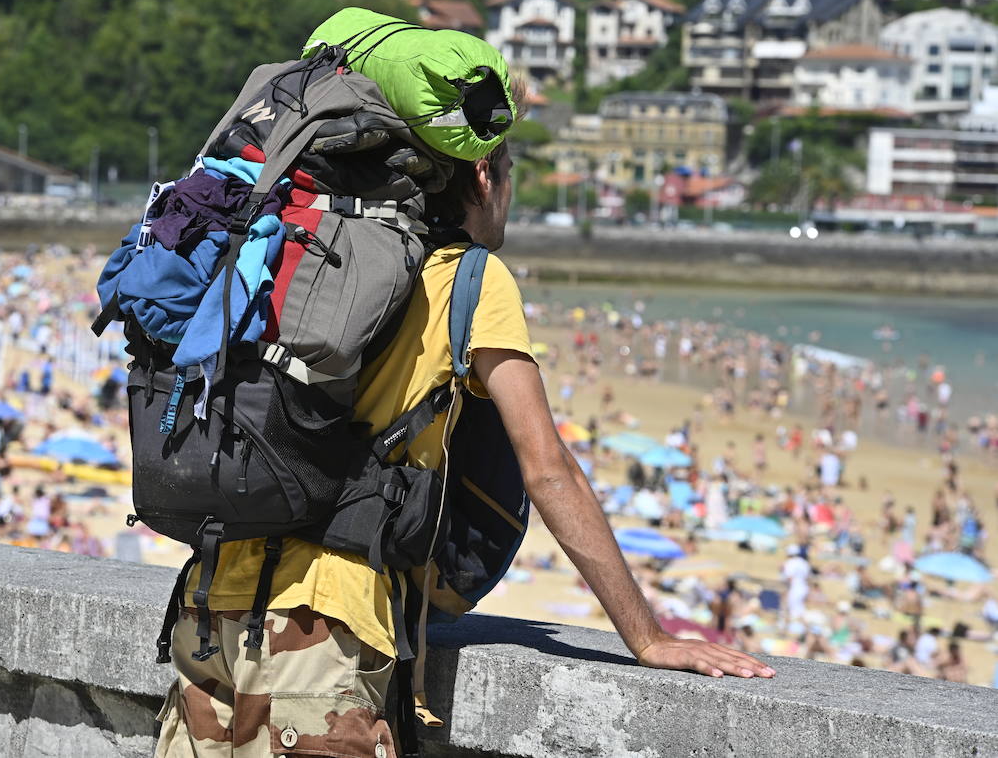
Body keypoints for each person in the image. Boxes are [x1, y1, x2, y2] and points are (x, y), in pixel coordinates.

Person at [155, 127, 773, 757]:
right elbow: (548, 468)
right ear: (483, 176)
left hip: (209, 599)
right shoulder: (467, 277)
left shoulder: (297, 247)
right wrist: (647, 637)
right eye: (510, 176)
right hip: (325, 614)